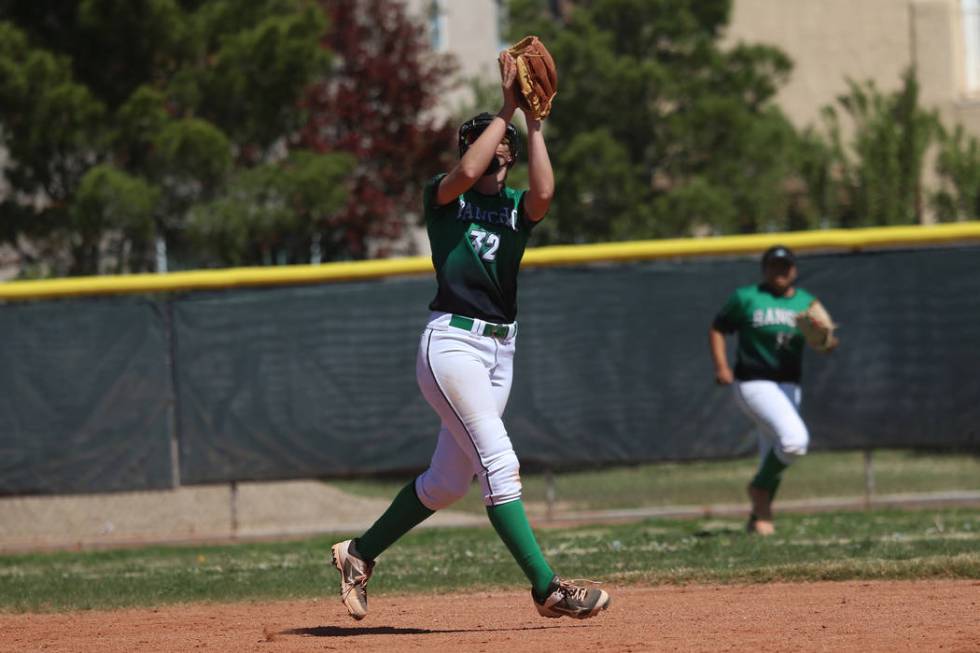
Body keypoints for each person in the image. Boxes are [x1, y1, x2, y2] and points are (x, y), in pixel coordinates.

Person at [329, 51, 611, 621]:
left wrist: (534, 121)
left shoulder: (512, 207)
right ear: (473, 148)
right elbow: (463, 172)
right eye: (490, 139)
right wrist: (506, 107)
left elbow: (546, 194)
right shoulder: (447, 198)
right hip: (451, 345)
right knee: (499, 464)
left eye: (504, 142)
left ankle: (358, 554)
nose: (500, 147)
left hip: (500, 349)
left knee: (446, 482)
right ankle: (547, 589)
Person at [708, 245, 838, 535]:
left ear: (794, 270)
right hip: (753, 381)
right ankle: (759, 489)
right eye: (774, 266)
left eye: (785, 266)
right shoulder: (747, 298)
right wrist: (721, 366)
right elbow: (718, 328)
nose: (780, 271)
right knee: (794, 441)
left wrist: (824, 338)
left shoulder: (806, 302)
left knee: (774, 450)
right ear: (765, 269)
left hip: (790, 383)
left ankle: (759, 518)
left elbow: (827, 345)